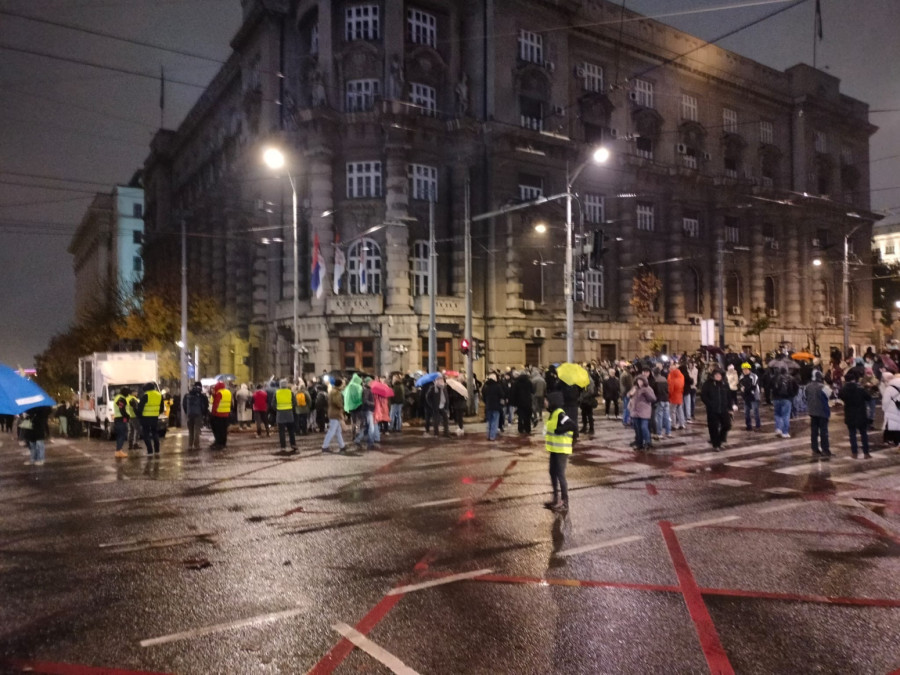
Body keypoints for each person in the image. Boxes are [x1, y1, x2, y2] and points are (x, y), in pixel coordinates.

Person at [544, 401, 576, 512]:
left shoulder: (560, 414)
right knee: (552, 472)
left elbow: (572, 425)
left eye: (546, 400)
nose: (545, 403)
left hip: (561, 450)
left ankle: (564, 501)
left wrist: (559, 430)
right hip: (554, 449)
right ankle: (555, 499)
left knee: (560, 474)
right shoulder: (552, 414)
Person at [839, 371, 872, 459]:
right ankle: (866, 453)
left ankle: (854, 453)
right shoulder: (860, 389)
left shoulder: (843, 390)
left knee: (852, 434)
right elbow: (868, 397)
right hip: (861, 414)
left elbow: (840, 397)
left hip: (850, 414)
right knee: (864, 434)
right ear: (854, 379)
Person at [700, 369, 731, 451]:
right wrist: (710, 404)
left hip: (723, 409)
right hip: (712, 410)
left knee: (727, 425)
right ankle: (716, 444)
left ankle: (720, 439)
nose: (718, 376)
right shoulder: (708, 384)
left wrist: (730, 407)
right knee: (713, 427)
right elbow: (703, 395)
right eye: (716, 375)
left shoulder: (724, 384)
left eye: (719, 375)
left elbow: (729, 396)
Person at [805, 371, 831, 458]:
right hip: (823, 411)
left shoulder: (808, 386)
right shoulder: (823, 387)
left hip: (812, 411)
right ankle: (825, 449)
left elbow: (806, 397)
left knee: (814, 431)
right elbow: (831, 395)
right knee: (824, 432)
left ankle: (815, 448)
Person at [628, 376, 656, 451]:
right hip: (635, 411)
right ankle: (639, 443)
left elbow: (653, 399)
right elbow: (628, 395)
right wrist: (631, 393)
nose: (639, 382)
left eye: (641, 381)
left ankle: (648, 442)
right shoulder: (634, 388)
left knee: (644, 427)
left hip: (644, 411)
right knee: (637, 429)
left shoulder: (648, 389)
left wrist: (645, 393)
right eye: (638, 381)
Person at [135, 382, 162, 457]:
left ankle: (150, 451)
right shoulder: (159, 395)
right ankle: (157, 450)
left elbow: (140, 408)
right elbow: (162, 408)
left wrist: (139, 415)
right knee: (155, 433)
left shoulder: (145, 396)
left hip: (145, 418)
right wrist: (156, 413)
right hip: (155, 418)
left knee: (146, 434)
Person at [273, 379, 298, 454]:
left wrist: (277, 409)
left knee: (281, 431)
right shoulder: (290, 392)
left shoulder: (277, 393)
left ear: (280, 385)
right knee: (291, 431)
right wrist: (290, 408)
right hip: (289, 413)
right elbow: (295, 403)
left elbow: (273, 404)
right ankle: (293, 444)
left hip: (280, 414)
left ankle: (283, 447)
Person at [772, 367, 798, 438]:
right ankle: (785, 432)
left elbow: (771, 387)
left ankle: (778, 429)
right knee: (786, 415)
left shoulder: (775, 378)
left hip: (776, 399)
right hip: (787, 399)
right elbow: (796, 388)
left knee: (777, 414)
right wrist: (792, 395)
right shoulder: (791, 378)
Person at [322, 378, 347, 453]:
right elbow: (337, 402)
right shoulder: (336, 392)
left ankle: (342, 446)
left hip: (333, 413)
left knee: (338, 431)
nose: (343, 386)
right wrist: (342, 407)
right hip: (335, 413)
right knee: (332, 431)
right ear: (339, 385)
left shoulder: (333, 391)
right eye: (342, 384)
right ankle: (325, 446)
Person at [182, 382, 209, 451]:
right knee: (197, 430)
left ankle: (190, 445)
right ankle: (196, 445)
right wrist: (203, 414)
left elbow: (184, 404)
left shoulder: (187, 395)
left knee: (190, 431)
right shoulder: (201, 396)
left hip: (190, 414)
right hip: (198, 414)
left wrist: (187, 412)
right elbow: (205, 405)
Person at [209, 381, 232, 449]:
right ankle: (223, 443)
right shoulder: (228, 392)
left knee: (218, 430)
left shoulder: (219, 393)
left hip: (218, 414)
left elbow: (215, 404)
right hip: (226, 414)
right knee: (224, 430)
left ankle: (218, 443)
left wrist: (212, 414)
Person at [739, 362, 761, 432]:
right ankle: (748, 425)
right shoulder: (741, 376)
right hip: (746, 397)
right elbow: (740, 384)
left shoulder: (754, 376)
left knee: (755, 411)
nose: (745, 371)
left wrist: (745, 389)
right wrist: (742, 389)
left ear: (749, 369)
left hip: (754, 396)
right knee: (746, 412)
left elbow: (753, 386)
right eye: (743, 369)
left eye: (746, 369)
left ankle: (758, 425)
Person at [482, 373, 503, 441]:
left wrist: (486, 402)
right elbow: (502, 395)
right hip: (496, 405)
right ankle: (492, 436)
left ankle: (488, 435)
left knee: (489, 421)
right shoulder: (498, 386)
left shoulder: (485, 386)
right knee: (495, 421)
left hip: (488, 406)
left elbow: (483, 396)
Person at [513, 370, 534, 434]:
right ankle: (527, 429)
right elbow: (532, 391)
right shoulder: (529, 382)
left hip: (519, 402)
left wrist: (514, 402)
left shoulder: (516, 382)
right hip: (528, 402)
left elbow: (514, 392)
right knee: (528, 416)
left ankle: (520, 429)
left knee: (520, 416)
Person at [112, 387, 131, 459]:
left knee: (121, 435)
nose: (128, 395)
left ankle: (119, 451)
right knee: (122, 435)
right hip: (121, 418)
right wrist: (127, 416)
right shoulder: (121, 399)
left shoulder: (118, 397)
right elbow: (122, 409)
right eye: (128, 393)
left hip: (119, 418)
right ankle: (118, 451)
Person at [667, 365, 685, 430]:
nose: (669, 370)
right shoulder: (681, 376)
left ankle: (673, 425)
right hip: (680, 395)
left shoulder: (672, 378)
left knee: (672, 411)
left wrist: (668, 396)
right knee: (680, 410)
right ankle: (682, 424)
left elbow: (670, 390)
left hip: (674, 397)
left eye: (670, 369)